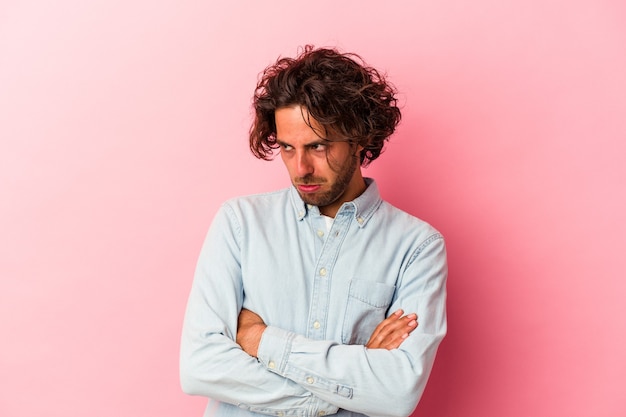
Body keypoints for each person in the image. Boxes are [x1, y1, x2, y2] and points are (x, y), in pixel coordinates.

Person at [180, 45, 447, 417]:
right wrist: (339, 394)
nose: (300, 167)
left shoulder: (417, 247)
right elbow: (200, 366)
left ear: (360, 139)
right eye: (287, 148)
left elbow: (397, 393)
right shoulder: (240, 223)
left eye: (317, 146)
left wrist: (261, 340)